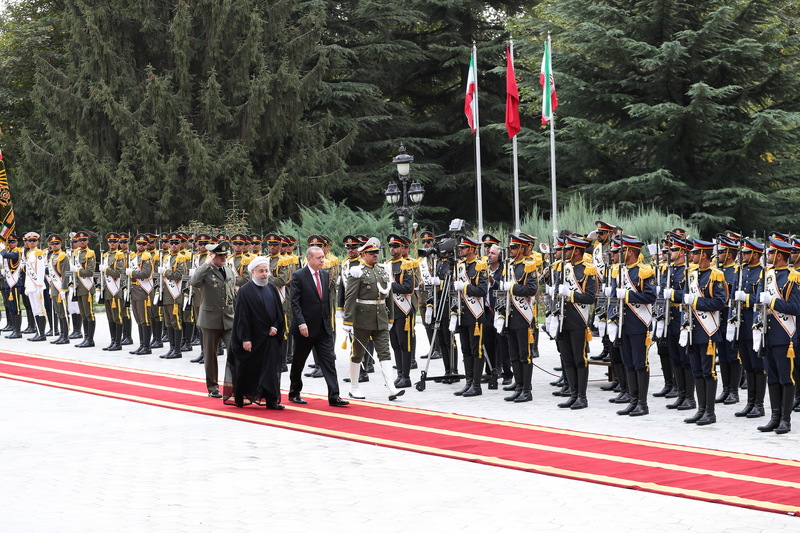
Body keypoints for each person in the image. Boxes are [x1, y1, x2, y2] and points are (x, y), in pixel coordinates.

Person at [342, 237, 404, 401]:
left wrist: (390, 318)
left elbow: (388, 294)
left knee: (385, 352)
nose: (375, 255)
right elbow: (350, 297)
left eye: (376, 252)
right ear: (363, 254)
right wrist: (347, 321)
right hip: (362, 318)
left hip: (381, 317)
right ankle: (354, 387)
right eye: (371, 253)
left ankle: (391, 387)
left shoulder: (383, 270)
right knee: (358, 353)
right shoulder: (357, 271)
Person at [288, 246, 348, 407]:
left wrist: (329, 322)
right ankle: (294, 392)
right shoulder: (299, 275)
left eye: (323, 257)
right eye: (318, 258)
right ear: (309, 259)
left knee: (329, 362)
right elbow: (294, 302)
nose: (322, 260)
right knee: (298, 362)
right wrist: (301, 323)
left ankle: (334, 396)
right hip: (305, 328)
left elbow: (325, 301)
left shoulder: (324, 274)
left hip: (323, 328)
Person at [753, 236, 800, 434]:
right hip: (768, 335)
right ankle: (774, 417)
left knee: (786, 378)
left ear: (780, 255)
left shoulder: (793, 277)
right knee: (772, 377)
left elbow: (796, 308)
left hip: (784, 336)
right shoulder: (767, 275)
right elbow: (758, 304)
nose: (768, 255)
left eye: (771, 252)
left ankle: (785, 420)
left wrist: (772, 302)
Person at [225, 255, 285, 409]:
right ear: (253, 272)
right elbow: (242, 317)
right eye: (261, 271)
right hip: (254, 338)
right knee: (251, 369)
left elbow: (279, 312)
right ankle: (243, 397)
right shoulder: (245, 291)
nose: (264, 274)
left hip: (271, 337)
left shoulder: (271, 287)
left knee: (271, 370)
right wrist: (245, 339)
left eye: (266, 271)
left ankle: (271, 400)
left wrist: (276, 327)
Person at [608, 236, 656, 416]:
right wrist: (611, 320)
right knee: (628, 363)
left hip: (638, 324)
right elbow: (614, 298)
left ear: (630, 252)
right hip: (623, 324)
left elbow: (650, 297)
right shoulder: (618, 271)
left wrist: (627, 296)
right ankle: (632, 400)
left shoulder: (644, 271)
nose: (618, 254)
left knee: (639, 363)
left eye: (622, 250)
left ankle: (642, 403)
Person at [554, 235, 599, 410]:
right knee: (567, 359)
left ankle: (582, 396)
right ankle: (572, 394)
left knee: (579, 359)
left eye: (568, 249)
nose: (564, 252)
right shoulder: (564, 268)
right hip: (563, 320)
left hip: (578, 320)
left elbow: (590, 298)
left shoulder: (588, 270)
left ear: (576, 251)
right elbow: (558, 292)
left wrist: (570, 294)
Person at [495, 234, 539, 403]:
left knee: (524, 355)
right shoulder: (509, 266)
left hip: (523, 316)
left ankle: (527, 390)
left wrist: (512, 287)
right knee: (513, 355)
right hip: (510, 316)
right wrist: (500, 314)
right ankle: (519, 387)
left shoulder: (529, 265)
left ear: (521, 249)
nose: (511, 250)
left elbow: (532, 290)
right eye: (510, 247)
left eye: (514, 247)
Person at [191, 241, 236, 399]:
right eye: (220, 255)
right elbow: (194, 282)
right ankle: (213, 388)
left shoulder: (229, 271)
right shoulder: (206, 271)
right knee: (210, 356)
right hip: (210, 320)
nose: (223, 257)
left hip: (228, 319)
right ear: (213, 256)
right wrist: (206, 264)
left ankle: (234, 386)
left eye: (225, 255)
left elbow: (232, 294)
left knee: (234, 352)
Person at [731, 238, 766, 418]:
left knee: (758, 366)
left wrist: (746, 298)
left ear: (755, 254)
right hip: (741, 324)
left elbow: (762, 299)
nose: (743, 255)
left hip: (755, 324)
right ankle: (750, 402)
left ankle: (759, 404)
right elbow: (732, 298)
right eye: (743, 252)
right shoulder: (741, 270)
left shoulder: (762, 272)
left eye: (746, 252)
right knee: (748, 366)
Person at [451, 236, 488, 397]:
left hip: (476, 315)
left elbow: (482, 291)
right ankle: (468, 382)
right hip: (463, 314)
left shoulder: (480, 266)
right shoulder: (460, 266)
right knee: (465, 350)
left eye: (463, 248)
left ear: (472, 249)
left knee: (476, 350)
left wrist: (465, 287)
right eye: (460, 248)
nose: (460, 250)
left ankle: (476, 385)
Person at [71, 231, 97, 347]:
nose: (81, 242)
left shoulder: (90, 253)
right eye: (80, 240)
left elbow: (90, 272)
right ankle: (86, 338)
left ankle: (90, 339)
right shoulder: (76, 253)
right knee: (83, 314)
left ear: (87, 241)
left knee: (89, 314)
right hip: (79, 287)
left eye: (84, 240)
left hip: (87, 288)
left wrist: (77, 270)